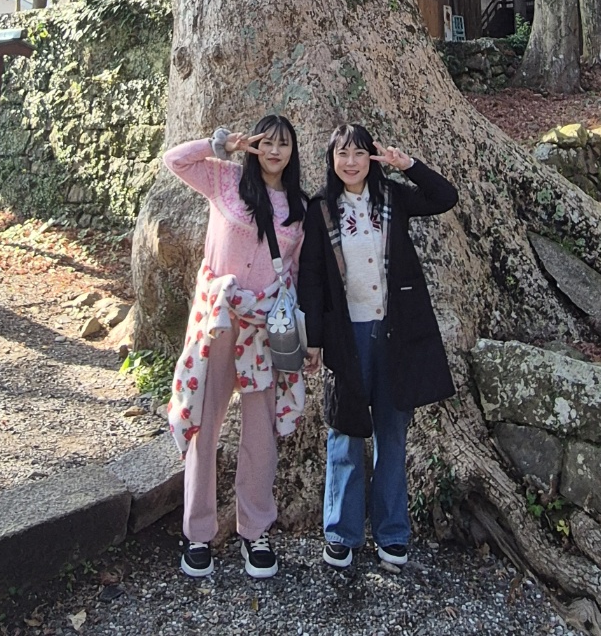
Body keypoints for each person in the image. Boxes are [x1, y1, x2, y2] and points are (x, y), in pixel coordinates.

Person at [298, 123, 458, 570]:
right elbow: (311, 278)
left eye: (359, 153)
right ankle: (341, 532)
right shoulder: (321, 209)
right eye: (342, 154)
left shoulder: (392, 198)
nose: (350, 162)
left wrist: (408, 165)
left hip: (395, 333)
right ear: (331, 160)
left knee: (392, 433)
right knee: (345, 431)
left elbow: (444, 197)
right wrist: (314, 340)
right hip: (345, 337)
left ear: (371, 157)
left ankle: (392, 532)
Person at [163, 115, 307, 580]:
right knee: (205, 421)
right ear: (255, 146)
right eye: (267, 142)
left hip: (264, 328)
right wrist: (220, 144)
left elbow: (296, 273)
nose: (274, 151)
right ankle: (198, 532)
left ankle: (255, 530)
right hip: (218, 319)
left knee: (260, 433)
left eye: (284, 144)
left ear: (293, 153)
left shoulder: (299, 208)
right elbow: (174, 161)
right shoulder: (224, 180)